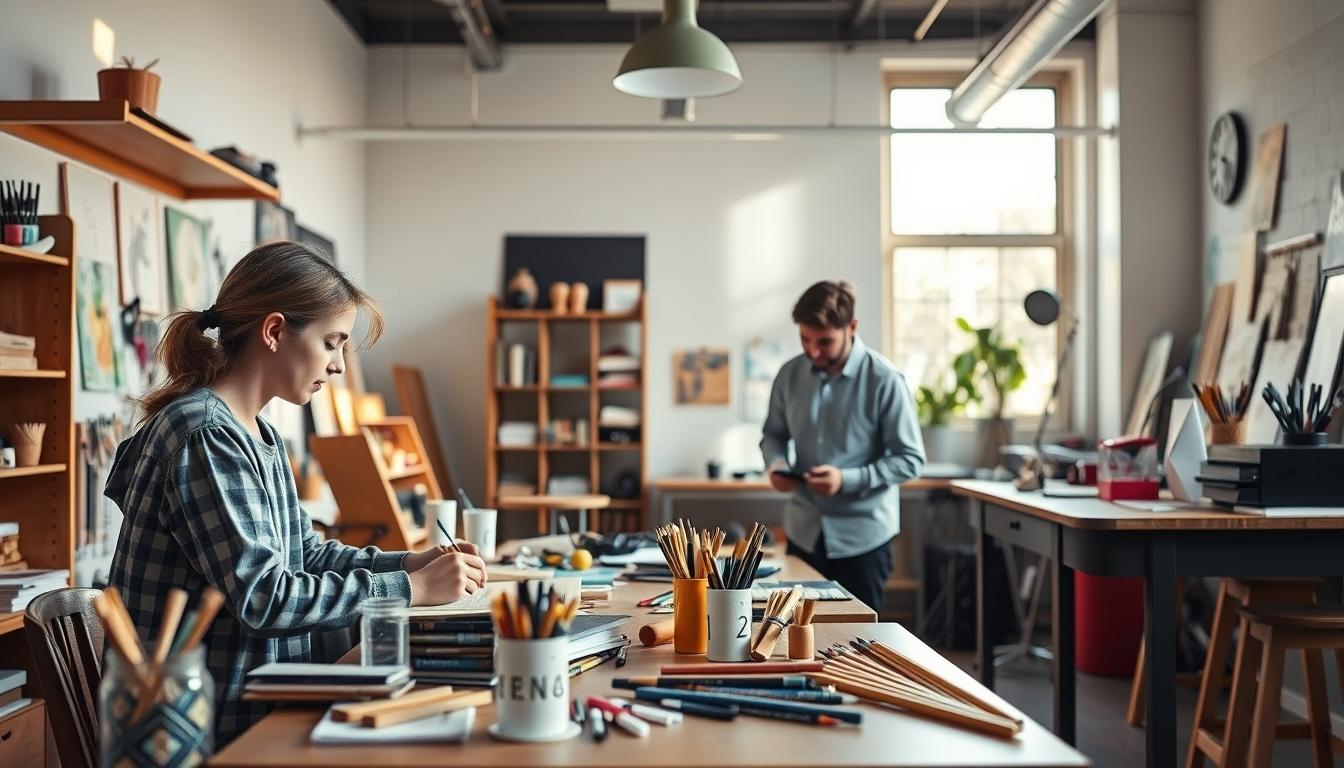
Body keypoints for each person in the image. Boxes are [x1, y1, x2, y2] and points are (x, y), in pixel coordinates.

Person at [105, 241, 487, 744]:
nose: (339, 367)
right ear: (274, 330)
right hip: (208, 731)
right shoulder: (203, 433)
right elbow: (266, 597)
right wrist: (411, 591)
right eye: (332, 343)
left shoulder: (258, 435)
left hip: (265, 708)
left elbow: (304, 554)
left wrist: (407, 565)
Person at [760, 280, 925, 612]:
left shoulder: (885, 380)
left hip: (863, 541)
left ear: (852, 327)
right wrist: (776, 464)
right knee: (795, 638)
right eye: (805, 340)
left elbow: (910, 459)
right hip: (803, 532)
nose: (813, 351)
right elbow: (773, 435)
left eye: (824, 342)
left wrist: (846, 479)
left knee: (855, 641)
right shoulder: (789, 375)